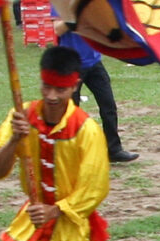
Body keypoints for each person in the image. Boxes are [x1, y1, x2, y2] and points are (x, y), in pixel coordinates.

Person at [0, 48, 111, 241]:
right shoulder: (21, 116)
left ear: (74, 85)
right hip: (28, 226)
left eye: (60, 89)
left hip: (69, 233)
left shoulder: (87, 131)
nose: (52, 96)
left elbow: (94, 188)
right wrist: (14, 140)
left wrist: (55, 211)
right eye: (46, 86)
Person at [57, 20, 135, 164]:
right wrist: (73, 19)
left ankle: (114, 150)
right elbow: (56, 29)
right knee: (70, 112)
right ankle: (69, 152)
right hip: (71, 65)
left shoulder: (89, 2)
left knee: (108, 105)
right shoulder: (63, 1)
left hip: (94, 62)